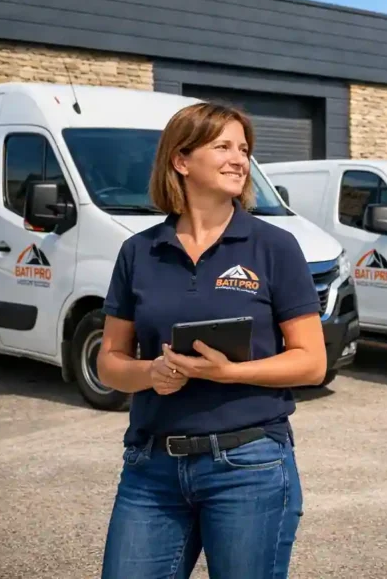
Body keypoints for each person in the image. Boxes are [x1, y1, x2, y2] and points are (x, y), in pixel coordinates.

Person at [96, 101, 328, 578]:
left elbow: (311, 362)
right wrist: (150, 373)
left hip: (249, 465)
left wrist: (229, 373)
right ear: (181, 161)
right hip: (151, 467)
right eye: (222, 146)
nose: (239, 159)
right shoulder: (138, 251)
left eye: (243, 149)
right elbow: (109, 361)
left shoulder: (274, 246)